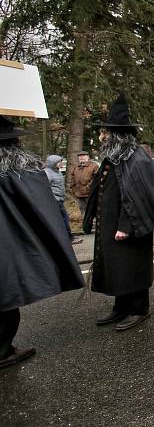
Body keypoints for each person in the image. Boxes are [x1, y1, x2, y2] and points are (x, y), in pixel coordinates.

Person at [0, 116, 84, 369]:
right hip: (10, 250)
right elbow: (42, 210)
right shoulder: (19, 173)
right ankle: (3, 350)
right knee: (6, 304)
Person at [83, 94, 154, 332]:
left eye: (110, 134)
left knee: (132, 267)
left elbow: (137, 195)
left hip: (130, 226)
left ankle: (138, 308)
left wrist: (125, 226)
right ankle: (121, 305)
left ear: (120, 136)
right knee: (117, 268)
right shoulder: (114, 158)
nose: (106, 138)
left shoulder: (135, 158)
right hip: (111, 225)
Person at [44, 154, 81, 244]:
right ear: (53, 163)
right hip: (54, 201)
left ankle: (65, 238)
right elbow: (44, 187)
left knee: (63, 218)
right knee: (63, 218)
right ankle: (68, 238)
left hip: (60, 200)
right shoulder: (47, 173)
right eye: (59, 162)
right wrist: (52, 197)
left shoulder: (57, 171)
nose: (61, 164)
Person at [68, 150, 99, 216]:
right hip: (79, 195)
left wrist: (88, 187)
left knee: (91, 211)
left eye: (83, 156)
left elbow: (96, 179)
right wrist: (73, 189)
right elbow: (72, 180)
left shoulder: (94, 166)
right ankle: (85, 224)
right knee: (82, 210)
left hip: (90, 194)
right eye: (80, 157)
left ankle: (93, 225)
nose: (81, 158)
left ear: (88, 157)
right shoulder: (76, 167)